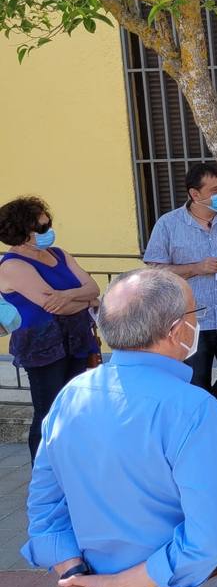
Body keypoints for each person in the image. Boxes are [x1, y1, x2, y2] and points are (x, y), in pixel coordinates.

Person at [22, 267, 217, 587]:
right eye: (195, 313)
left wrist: (77, 580)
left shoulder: (71, 396)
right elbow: (206, 539)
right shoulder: (193, 408)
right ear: (177, 330)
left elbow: (45, 511)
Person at [143, 160, 217, 412]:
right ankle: (199, 432)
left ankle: (208, 416)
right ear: (195, 194)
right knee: (195, 382)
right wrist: (195, 268)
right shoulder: (168, 224)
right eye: (215, 190)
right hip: (190, 320)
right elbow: (154, 269)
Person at [0, 197, 100, 460]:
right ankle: (43, 479)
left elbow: (93, 287)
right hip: (43, 348)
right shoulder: (12, 265)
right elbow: (54, 307)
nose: (49, 232)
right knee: (48, 413)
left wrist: (76, 296)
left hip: (76, 340)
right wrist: (86, 299)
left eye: (49, 225)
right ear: (22, 233)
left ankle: (71, 468)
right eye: (42, 229)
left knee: (74, 408)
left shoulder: (59, 254)